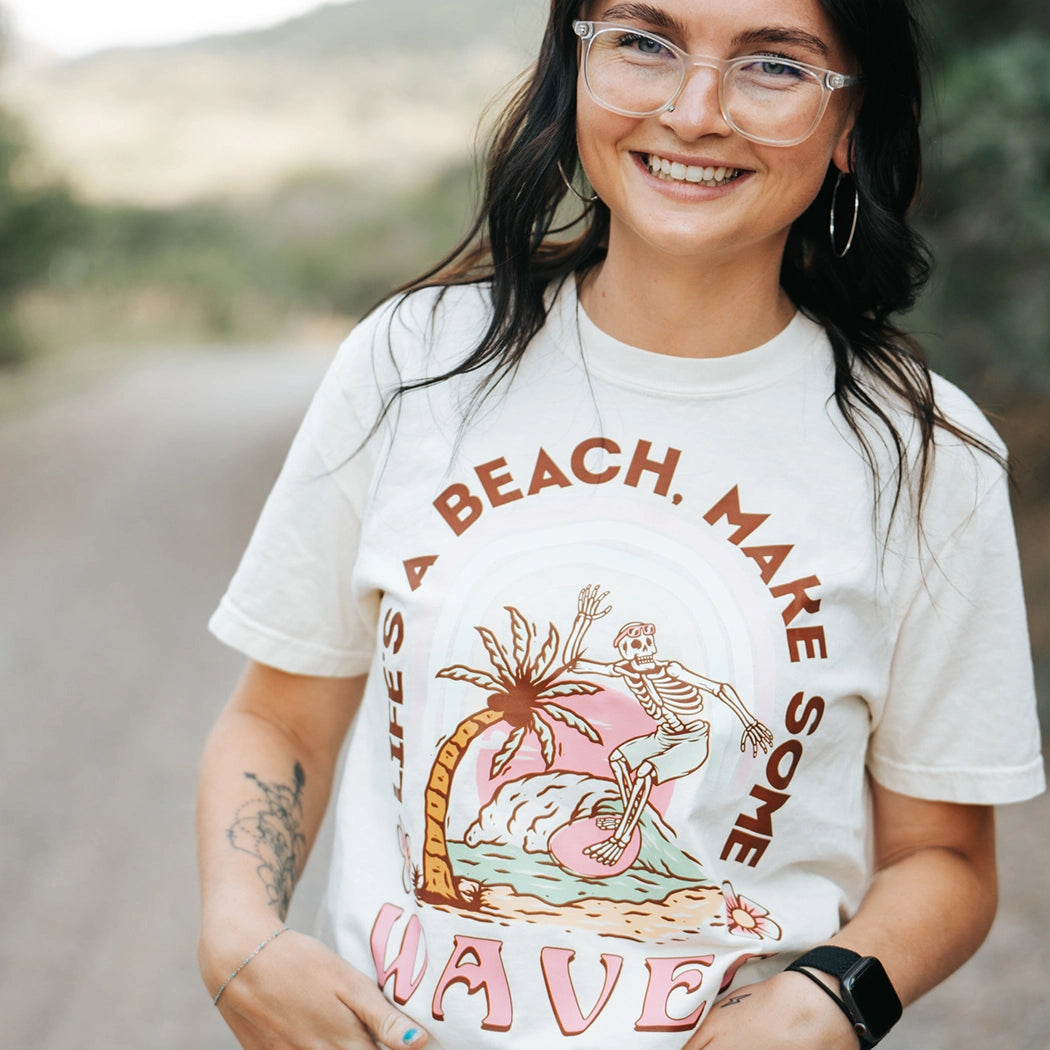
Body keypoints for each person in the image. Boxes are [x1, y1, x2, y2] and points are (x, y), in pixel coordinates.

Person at [196, 1, 1045, 1048]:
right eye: (644, 42)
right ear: (576, 68)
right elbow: (280, 718)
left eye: (774, 66)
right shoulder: (414, 363)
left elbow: (946, 858)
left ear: (850, 126)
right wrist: (239, 931)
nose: (695, 111)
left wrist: (830, 1000)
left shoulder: (922, 452)